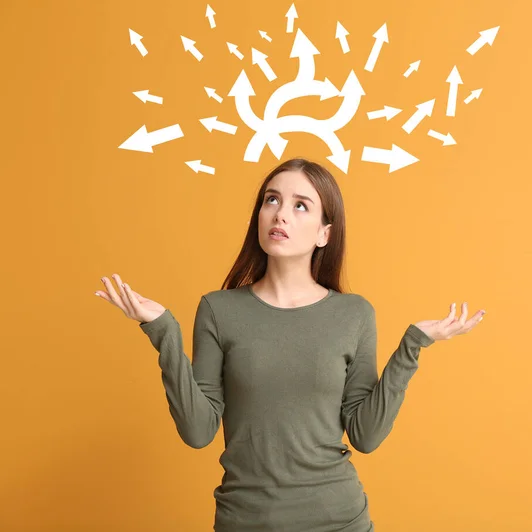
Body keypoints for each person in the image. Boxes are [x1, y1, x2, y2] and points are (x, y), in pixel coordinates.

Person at [95, 157, 485, 531]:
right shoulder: (218, 310)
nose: (280, 213)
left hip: (340, 519)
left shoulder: (354, 315)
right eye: (272, 199)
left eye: (301, 205)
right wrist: (162, 330)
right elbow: (198, 431)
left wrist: (412, 346)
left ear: (324, 234)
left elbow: (365, 434)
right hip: (244, 521)